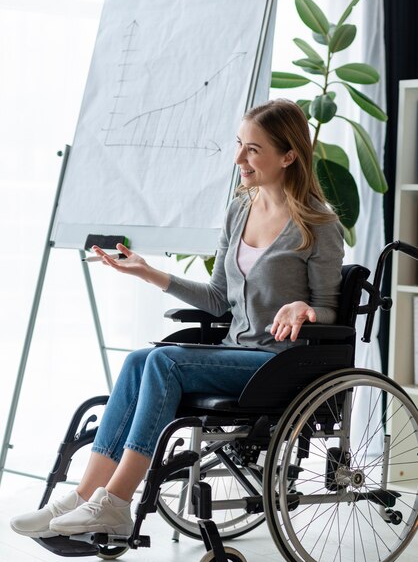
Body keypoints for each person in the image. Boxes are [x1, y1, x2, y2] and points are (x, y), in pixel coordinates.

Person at [10, 98, 344, 538]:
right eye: (239, 145)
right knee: (137, 361)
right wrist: (150, 273)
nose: (239, 158)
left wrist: (305, 308)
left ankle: (116, 501)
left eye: (253, 150)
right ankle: (86, 494)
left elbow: (330, 309)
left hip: (280, 364)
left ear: (288, 155)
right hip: (237, 354)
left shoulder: (318, 224)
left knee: (166, 362)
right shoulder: (239, 210)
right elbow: (219, 298)